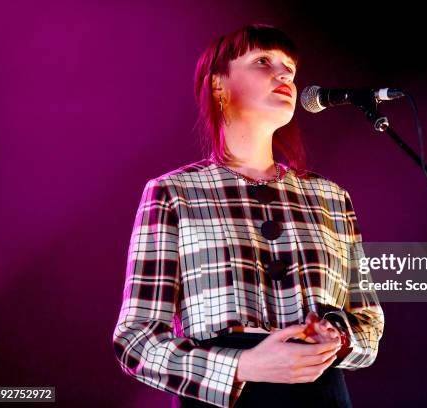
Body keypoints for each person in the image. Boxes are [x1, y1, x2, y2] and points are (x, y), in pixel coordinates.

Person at [112, 23, 385, 408]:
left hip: (321, 393)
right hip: (225, 396)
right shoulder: (173, 193)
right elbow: (136, 341)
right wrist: (244, 365)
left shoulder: (331, 197)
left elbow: (369, 324)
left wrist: (337, 339)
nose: (284, 74)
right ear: (218, 85)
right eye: (263, 61)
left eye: (289, 67)